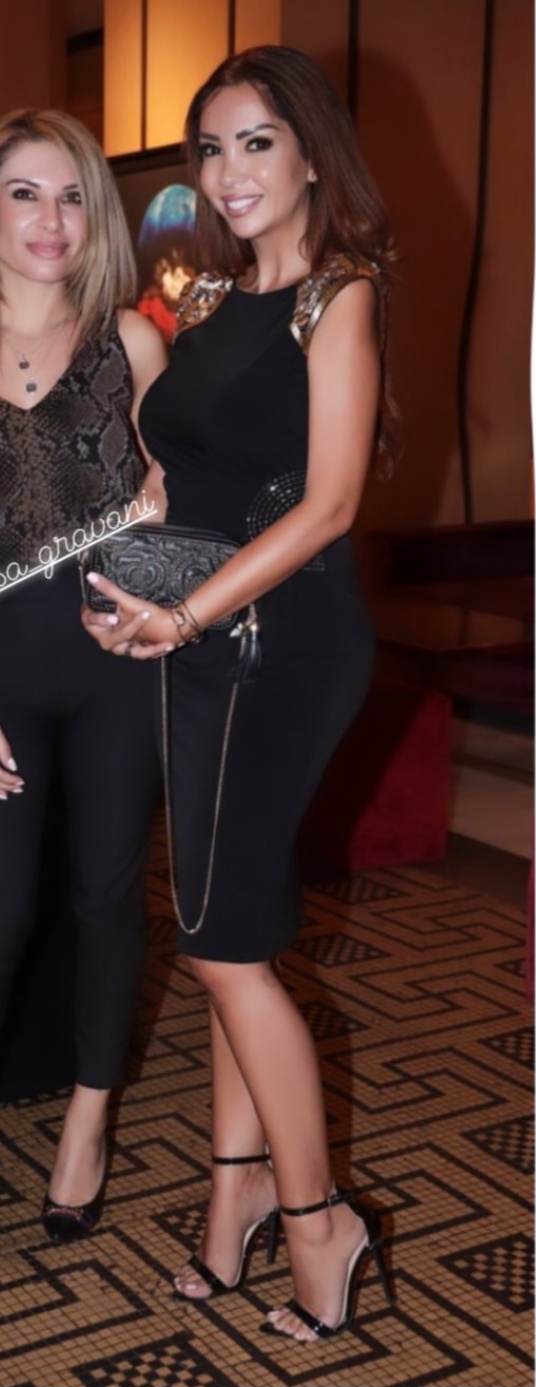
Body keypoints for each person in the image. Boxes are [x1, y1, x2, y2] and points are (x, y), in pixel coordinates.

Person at [83, 45, 395, 1341]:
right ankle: (235, 1197)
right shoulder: (209, 293)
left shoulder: (339, 294)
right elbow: (186, 467)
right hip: (201, 627)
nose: (228, 170)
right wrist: (140, 546)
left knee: (216, 948)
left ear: (311, 152)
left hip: (284, 639)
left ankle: (318, 1219)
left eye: (256, 141)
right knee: (228, 929)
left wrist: (186, 609)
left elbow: (329, 503)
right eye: (211, 148)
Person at [0, 110, 168, 1242]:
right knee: (4, 914)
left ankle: (87, 1124)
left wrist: (164, 504)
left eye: (71, 195)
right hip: (2, 678)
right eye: (23, 193)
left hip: (116, 664)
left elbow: (183, 497)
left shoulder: (133, 342)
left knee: (108, 897)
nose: (50, 220)